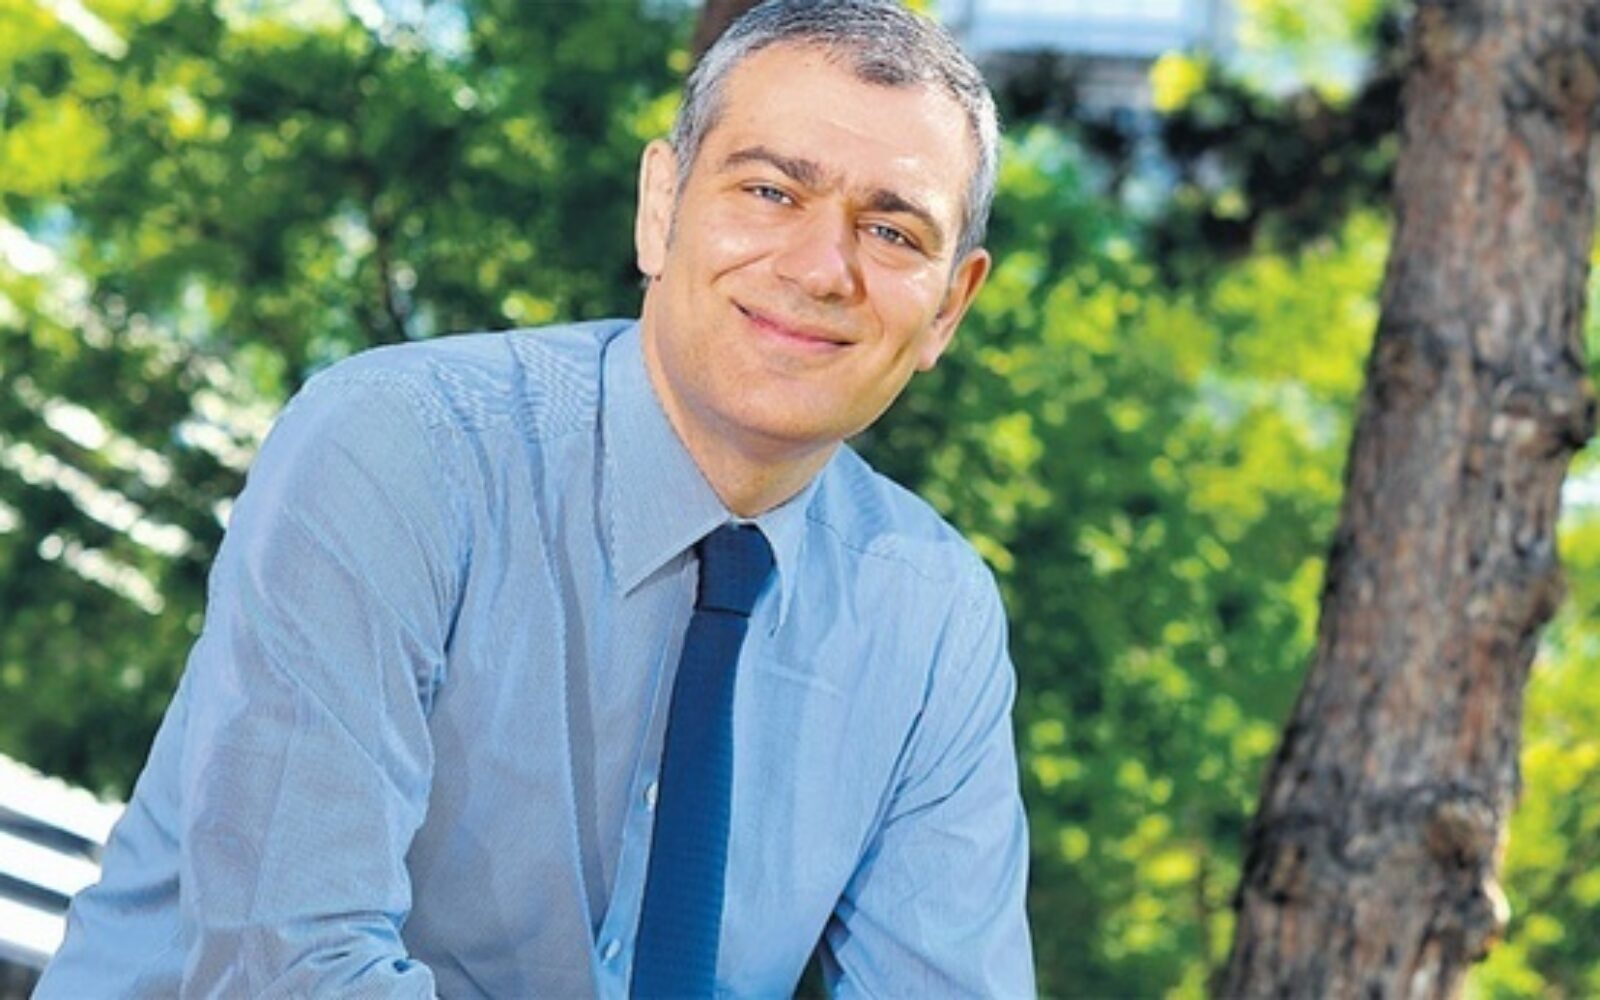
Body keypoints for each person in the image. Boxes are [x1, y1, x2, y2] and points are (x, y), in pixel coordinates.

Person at [38, 0, 1035, 995]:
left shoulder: (931, 616)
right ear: (661, 207)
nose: (822, 269)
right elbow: (292, 970)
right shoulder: (399, 449)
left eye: (891, 232)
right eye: (770, 191)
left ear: (949, 306)